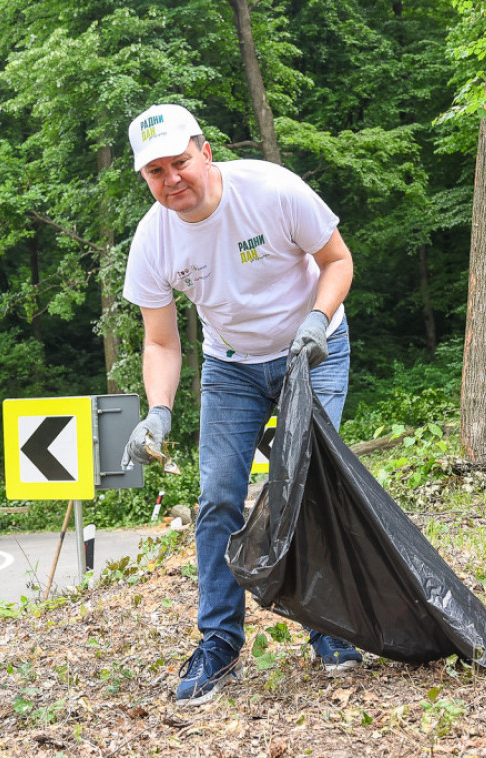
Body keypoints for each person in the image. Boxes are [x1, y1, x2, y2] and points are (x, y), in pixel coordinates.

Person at [121, 103, 360, 706]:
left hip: (314, 348)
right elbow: (160, 339)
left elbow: (338, 260)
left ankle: (329, 627)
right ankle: (220, 645)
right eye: (155, 171)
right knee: (219, 498)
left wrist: (316, 321)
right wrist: (158, 411)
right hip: (231, 367)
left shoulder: (270, 190)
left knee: (305, 485)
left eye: (179, 162)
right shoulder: (153, 237)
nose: (171, 179)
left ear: (205, 152)